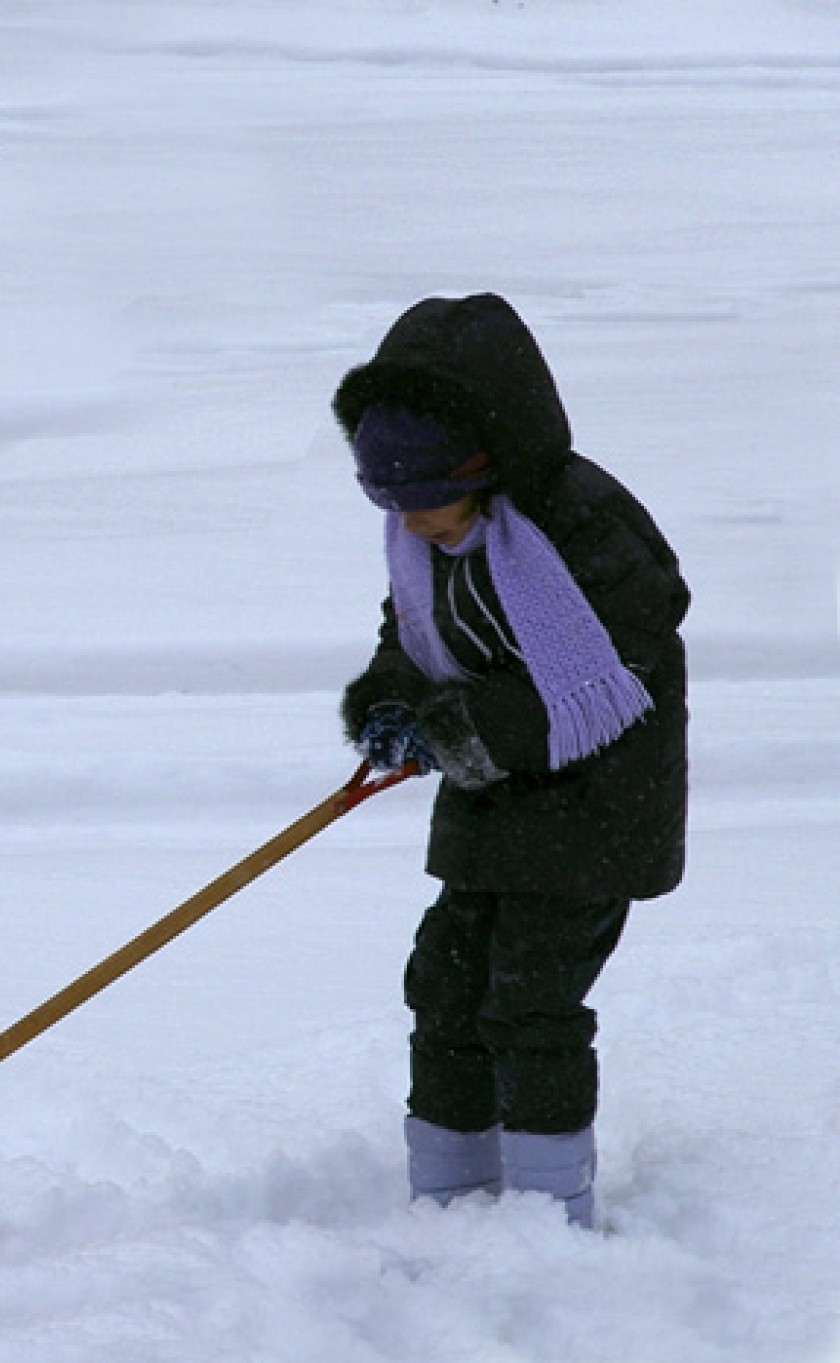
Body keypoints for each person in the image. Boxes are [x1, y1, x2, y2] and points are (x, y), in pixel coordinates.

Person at [332, 293, 688, 1229]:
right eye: (387, 505)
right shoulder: (433, 538)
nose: (409, 527)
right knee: (444, 982)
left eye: (422, 502)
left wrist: (458, 733)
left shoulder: (579, 527)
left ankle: (548, 1209)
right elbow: (409, 634)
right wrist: (391, 702)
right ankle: (448, 1197)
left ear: (483, 461)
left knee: (528, 1001)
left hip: (594, 807)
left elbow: (618, 665)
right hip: (491, 805)